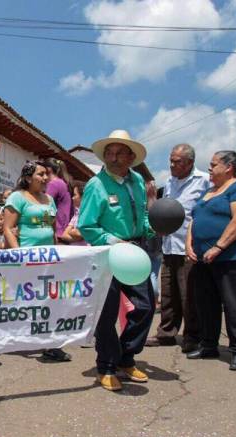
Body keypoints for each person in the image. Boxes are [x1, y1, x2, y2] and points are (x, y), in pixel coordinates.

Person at [77, 130, 156, 391]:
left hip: (136, 253)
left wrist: (150, 228)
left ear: (131, 157)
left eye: (119, 153)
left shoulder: (137, 181)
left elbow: (143, 213)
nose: (112, 158)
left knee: (145, 306)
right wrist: (114, 241)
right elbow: (87, 225)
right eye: (109, 153)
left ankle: (126, 356)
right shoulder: (96, 185)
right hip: (107, 254)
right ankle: (107, 366)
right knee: (107, 313)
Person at [186, 150, 236, 371]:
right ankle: (208, 345)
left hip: (230, 258)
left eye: (214, 164)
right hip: (203, 259)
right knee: (206, 304)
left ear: (228, 167)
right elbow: (195, 219)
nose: (209, 168)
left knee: (234, 305)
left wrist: (218, 247)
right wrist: (189, 244)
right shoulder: (208, 191)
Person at [4, 161, 71, 363]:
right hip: (27, 260)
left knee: (49, 300)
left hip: (48, 259)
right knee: (25, 301)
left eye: (46, 174)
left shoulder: (49, 199)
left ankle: (51, 345)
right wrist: (19, 256)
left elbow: (50, 228)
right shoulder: (17, 197)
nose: (45, 178)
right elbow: (8, 228)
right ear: (27, 178)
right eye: (40, 174)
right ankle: (14, 336)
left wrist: (56, 253)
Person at [146, 144, 210, 352]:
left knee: (188, 295)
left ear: (190, 162)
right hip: (169, 245)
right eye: (171, 161)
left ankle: (193, 336)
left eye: (177, 161)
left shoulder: (204, 181)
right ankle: (166, 333)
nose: (172, 165)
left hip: (189, 247)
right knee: (168, 294)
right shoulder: (169, 182)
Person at [44, 158, 74, 243]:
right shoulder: (63, 183)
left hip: (57, 233)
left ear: (48, 169)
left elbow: (46, 207)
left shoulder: (53, 184)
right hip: (64, 231)